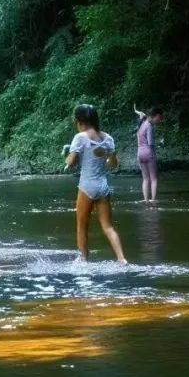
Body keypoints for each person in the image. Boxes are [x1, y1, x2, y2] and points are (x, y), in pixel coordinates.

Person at [65, 103, 127, 264]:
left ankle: (83, 258)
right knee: (108, 227)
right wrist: (103, 156)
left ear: (79, 121)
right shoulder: (108, 138)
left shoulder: (80, 137)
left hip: (87, 186)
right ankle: (122, 259)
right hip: (103, 187)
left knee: (82, 226)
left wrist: (67, 155)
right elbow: (113, 164)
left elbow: (70, 162)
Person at [136, 107, 163, 202]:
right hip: (148, 153)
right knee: (154, 178)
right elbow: (151, 143)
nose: (160, 120)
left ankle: (145, 199)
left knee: (145, 178)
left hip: (139, 153)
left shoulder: (141, 125)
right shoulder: (149, 126)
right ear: (155, 116)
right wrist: (154, 154)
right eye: (159, 118)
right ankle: (153, 200)